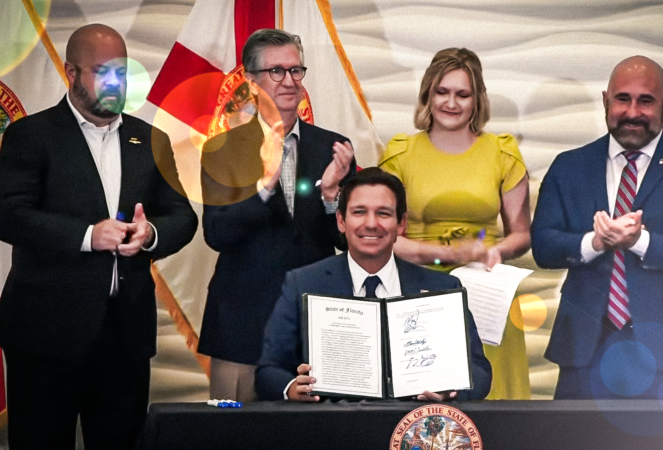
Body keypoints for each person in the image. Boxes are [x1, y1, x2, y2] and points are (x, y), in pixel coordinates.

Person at [0, 24, 198, 448]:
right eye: (103, 73)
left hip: (125, 338)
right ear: (71, 72)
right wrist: (87, 235)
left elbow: (183, 217)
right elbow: (9, 217)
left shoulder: (150, 139)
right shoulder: (31, 135)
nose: (115, 84)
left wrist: (149, 233)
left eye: (122, 72)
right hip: (45, 336)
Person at [531, 56, 663, 400]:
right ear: (606, 100)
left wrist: (638, 241)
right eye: (622, 99)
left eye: (646, 101)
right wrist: (594, 243)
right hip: (584, 351)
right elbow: (544, 246)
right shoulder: (569, 166)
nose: (633, 112)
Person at [198, 28, 356, 402]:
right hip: (242, 326)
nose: (289, 80)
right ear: (252, 82)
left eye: (295, 70)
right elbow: (217, 233)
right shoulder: (222, 149)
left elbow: (347, 242)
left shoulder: (333, 147)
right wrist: (265, 188)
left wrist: (331, 197)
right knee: (235, 431)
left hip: (315, 325)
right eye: (276, 71)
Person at [256, 167, 491, 401]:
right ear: (341, 220)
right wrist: (293, 388)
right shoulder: (303, 283)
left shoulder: (442, 287)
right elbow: (268, 371)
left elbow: (479, 371)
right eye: (359, 212)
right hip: (332, 421)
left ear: (401, 224)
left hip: (415, 420)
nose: (371, 223)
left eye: (383, 213)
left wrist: (452, 391)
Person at [378, 48, 531, 399]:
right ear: (427, 95)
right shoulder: (400, 153)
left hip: (489, 296)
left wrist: (494, 251)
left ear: (477, 101)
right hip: (418, 291)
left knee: (494, 401)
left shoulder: (503, 152)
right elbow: (386, 239)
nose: (451, 103)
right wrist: (448, 254)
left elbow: (521, 235)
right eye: (442, 92)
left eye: (462, 94)